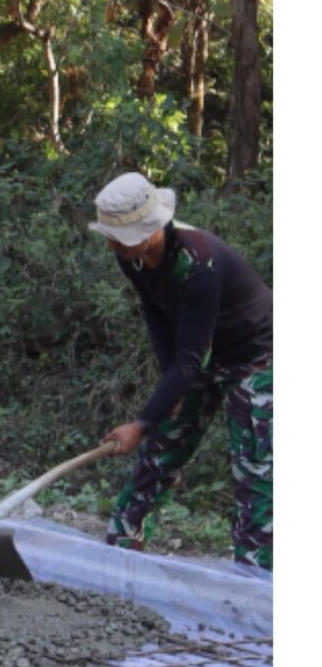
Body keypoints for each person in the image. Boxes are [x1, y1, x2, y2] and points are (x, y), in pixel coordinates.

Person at [90, 172, 272, 570]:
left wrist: (141, 423)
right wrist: (167, 390)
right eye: (111, 237)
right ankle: (120, 552)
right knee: (161, 448)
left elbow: (191, 359)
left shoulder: (199, 265)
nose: (111, 245)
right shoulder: (131, 256)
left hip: (257, 356)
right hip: (199, 355)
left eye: (119, 238)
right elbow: (157, 317)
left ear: (150, 230)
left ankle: (256, 578)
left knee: (254, 467)